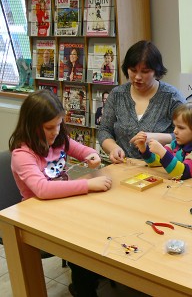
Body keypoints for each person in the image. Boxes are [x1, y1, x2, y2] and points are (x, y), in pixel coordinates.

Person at [9, 89, 113, 297]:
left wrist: (93, 155)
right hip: (38, 214)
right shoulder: (22, 154)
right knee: (82, 242)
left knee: (100, 224)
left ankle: (92, 273)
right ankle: (84, 287)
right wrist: (87, 185)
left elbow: (83, 150)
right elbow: (43, 189)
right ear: (31, 126)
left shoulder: (59, 139)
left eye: (58, 125)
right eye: (49, 127)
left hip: (63, 204)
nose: (56, 131)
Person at [98, 40, 186, 163]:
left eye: (145, 71)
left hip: (163, 168)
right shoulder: (117, 95)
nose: (138, 77)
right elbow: (104, 130)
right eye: (133, 70)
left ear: (156, 71)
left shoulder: (172, 97)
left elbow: (189, 135)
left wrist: (154, 137)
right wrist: (114, 148)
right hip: (124, 165)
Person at [133, 102, 192, 179]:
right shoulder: (174, 144)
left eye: (181, 128)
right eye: (175, 126)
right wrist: (143, 149)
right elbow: (155, 162)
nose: (175, 131)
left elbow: (182, 173)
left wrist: (162, 151)